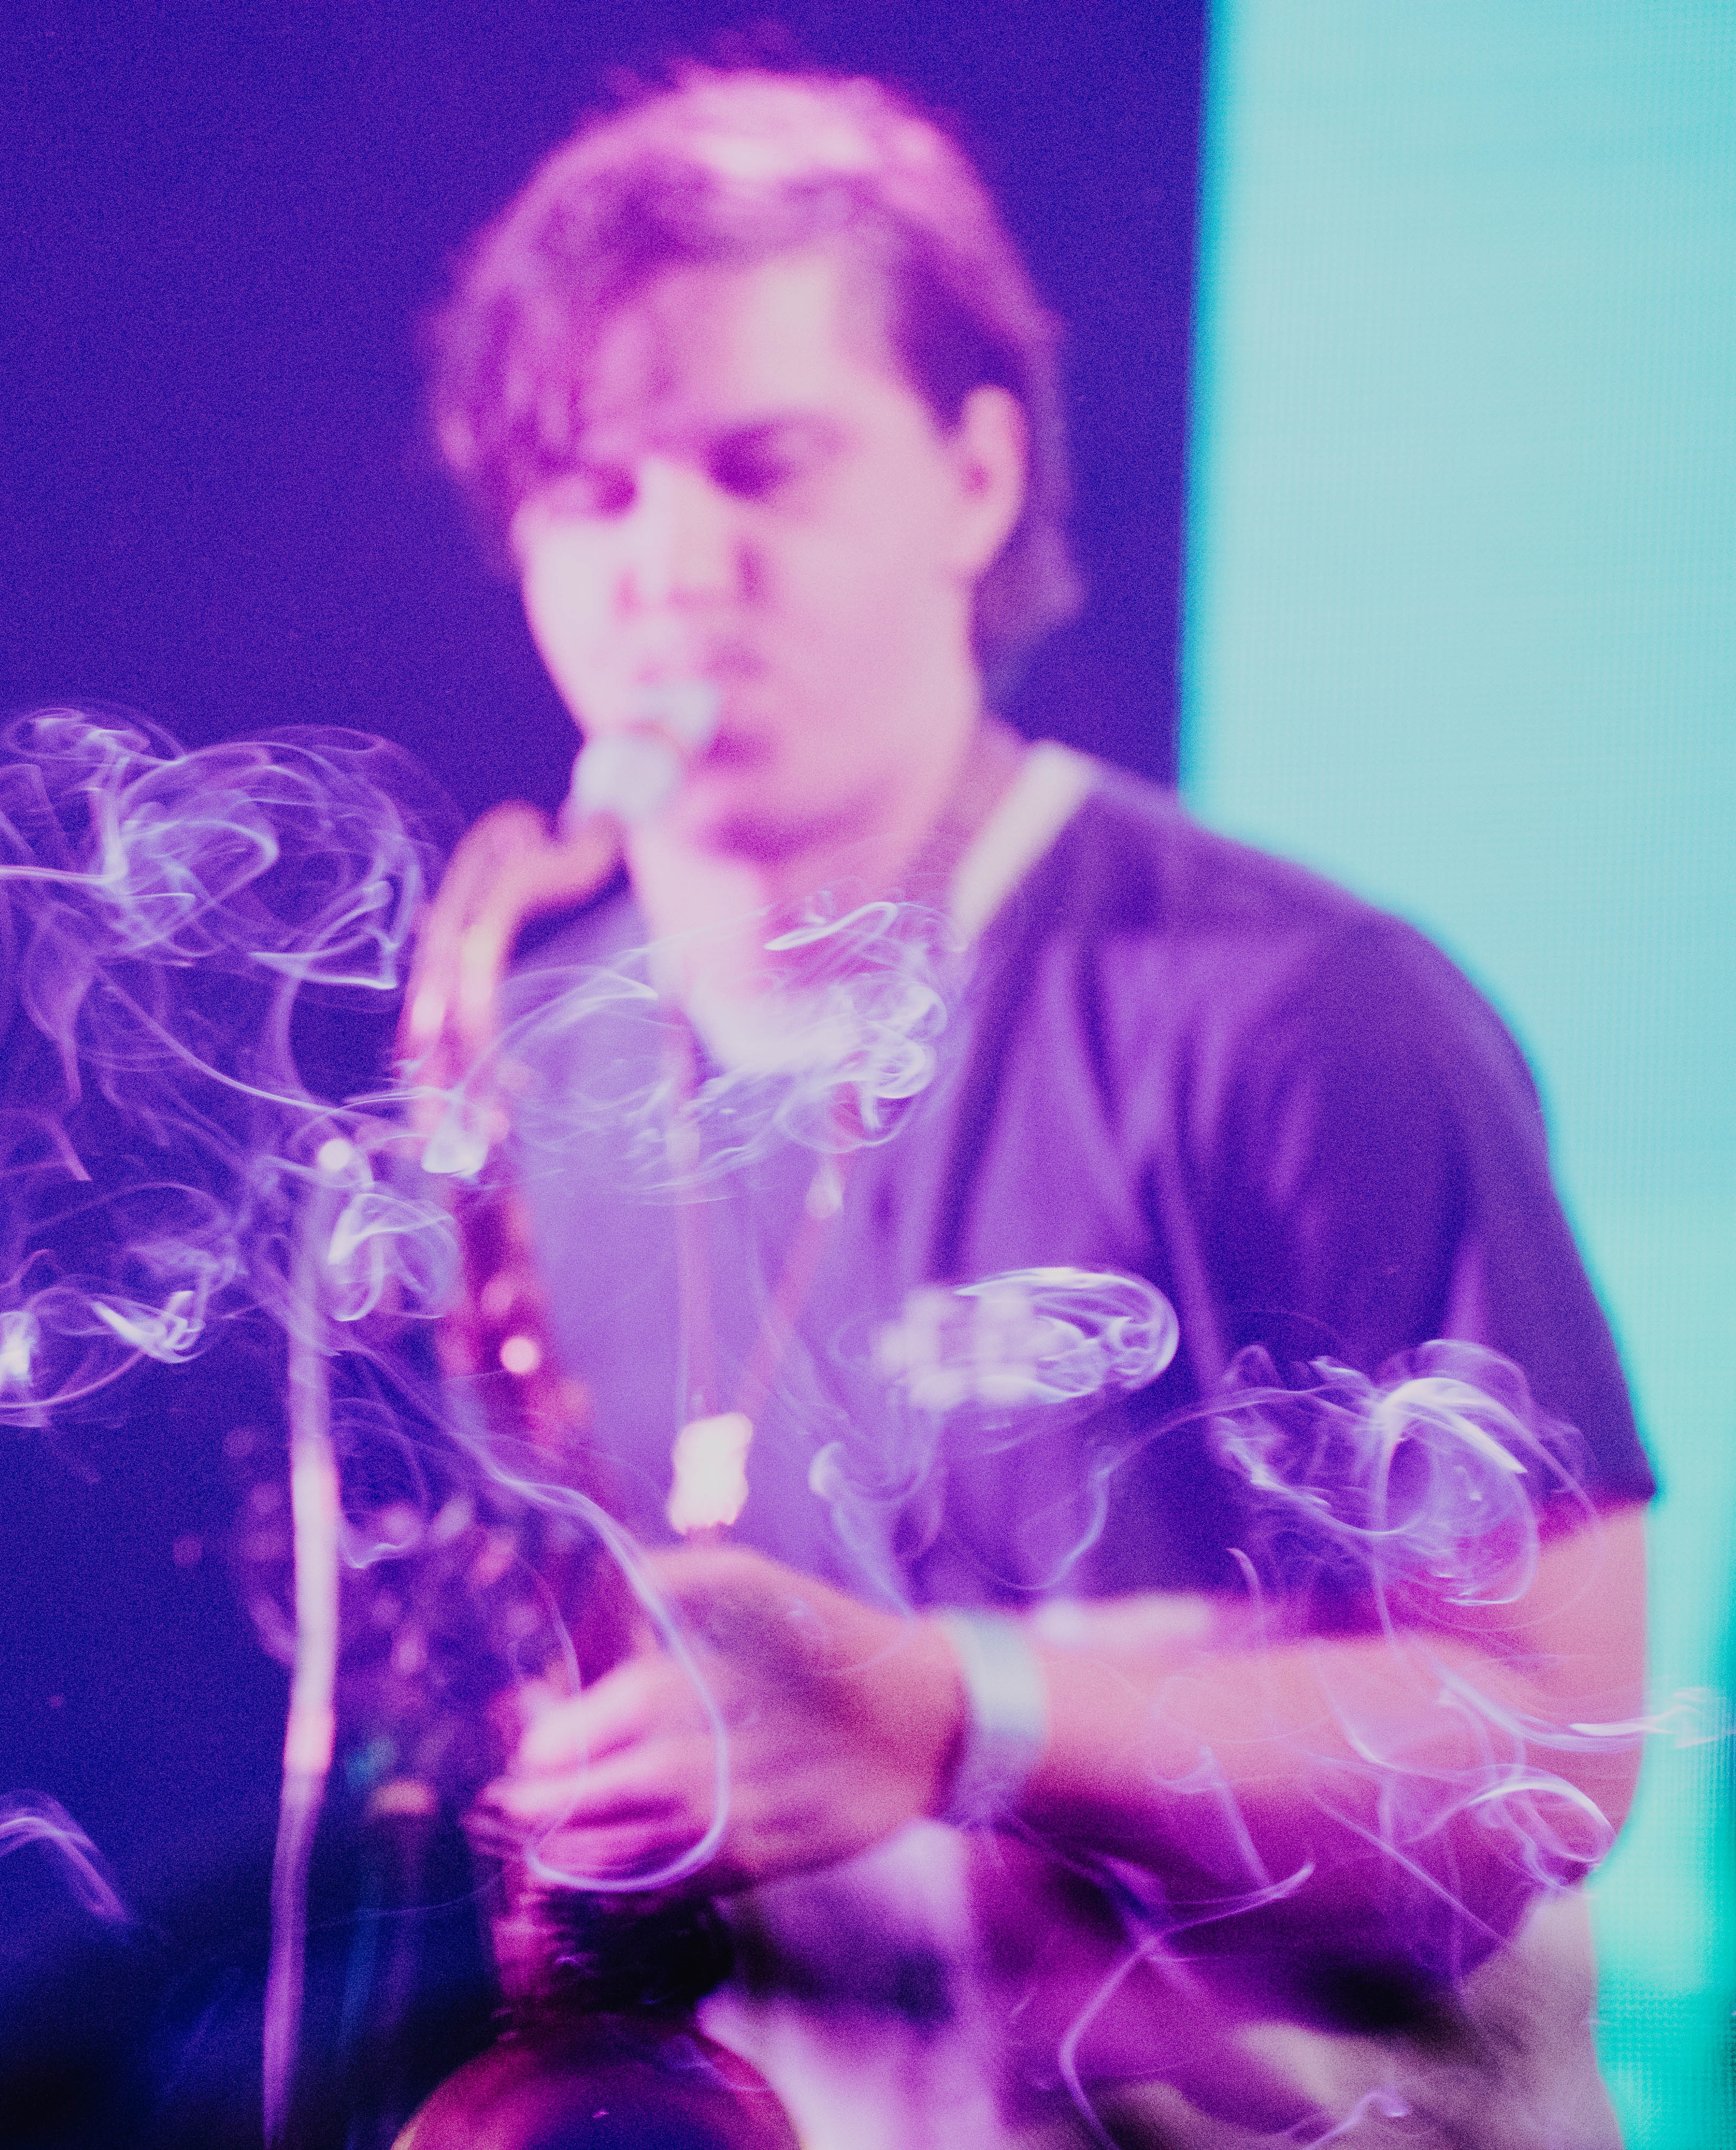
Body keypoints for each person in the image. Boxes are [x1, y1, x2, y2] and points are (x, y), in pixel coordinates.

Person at [393, 66, 1654, 2149]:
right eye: (590, 492)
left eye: (762, 464)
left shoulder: (1305, 1010)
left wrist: (959, 1719)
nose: (671, 566)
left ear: (977, 477)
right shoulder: (528, 1065)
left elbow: (1558, 1737)